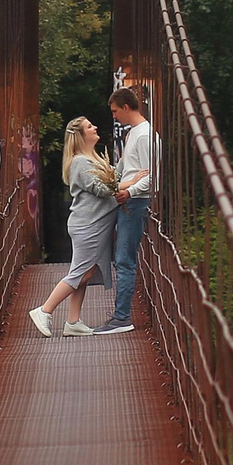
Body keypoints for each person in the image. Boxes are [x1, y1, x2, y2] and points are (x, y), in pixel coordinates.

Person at [27, 118, 117, 338]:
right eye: (89, 126)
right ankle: (44, 310)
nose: (95, 127)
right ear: (80, 135)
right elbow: (103, 189)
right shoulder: (80, 163)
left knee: (85, 273)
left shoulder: (90, 159)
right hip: (88, 226)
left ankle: (73, 321)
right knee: (80, 272)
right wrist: (131, 182)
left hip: (91, 225)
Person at [96, 85, 158, 335]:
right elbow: (125, 169)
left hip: (136, 202)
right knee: (122, 259)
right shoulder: (133, 133)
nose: (114, 116)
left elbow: (153, 176)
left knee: (124, 260)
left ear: (126, 107)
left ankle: (122, 318)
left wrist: (129, 191)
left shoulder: (144, 136)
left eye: (114, 111)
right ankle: (120, 316)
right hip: (128, 201)